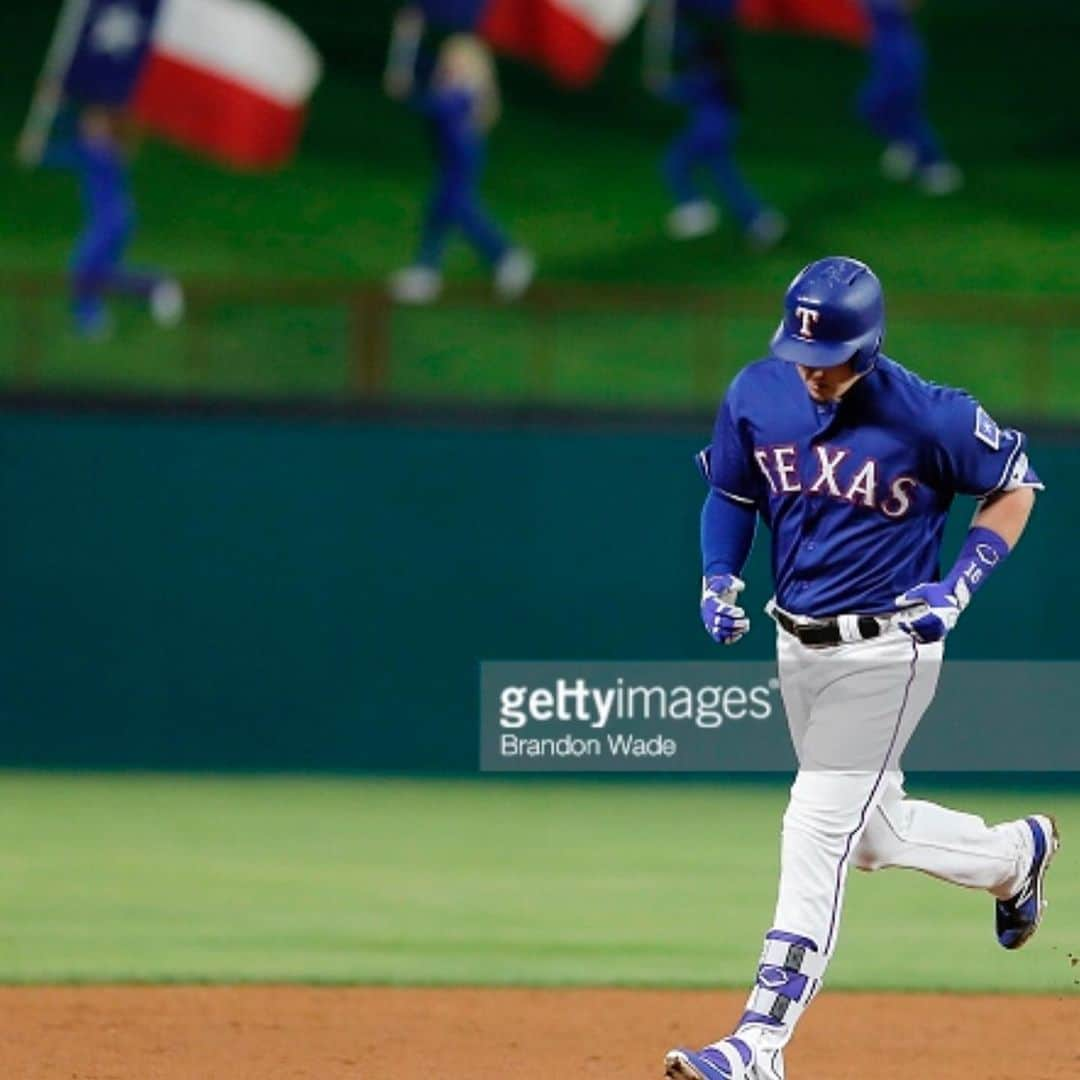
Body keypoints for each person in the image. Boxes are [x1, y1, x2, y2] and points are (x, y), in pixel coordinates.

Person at [664, 256, 1058, 1080]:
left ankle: (759, 1043)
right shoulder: (758, 392)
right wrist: (717, 575)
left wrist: (959, 588)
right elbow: (732, 497)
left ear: (868, 346)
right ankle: (1014, 858)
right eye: (800, 351)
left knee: (815, 824)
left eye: (829, 355)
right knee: (870, 835)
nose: (810, 370)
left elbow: (1013, 487)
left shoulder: (928, 414)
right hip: (794, 644)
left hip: (889, 649)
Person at [385, 11, 534, 304]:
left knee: (459, 211)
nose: (450, 64)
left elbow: (430, 105)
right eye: (449, 59)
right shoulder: (450, 86)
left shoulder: (465, 93)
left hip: (461, 159)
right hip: (450, 159)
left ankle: (507, 256)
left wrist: (408, 91)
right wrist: (407, 38)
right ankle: (428, 272)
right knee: (442, 213)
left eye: (458, 61)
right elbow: (416, 73)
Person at [41, 105, 183, 339]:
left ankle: (91, 320)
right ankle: (155, 285)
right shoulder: (100, 149)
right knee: (103, 273)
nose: (85, 126)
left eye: (92, 123)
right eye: (85, 122)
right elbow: (70, 149)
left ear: (106, 128)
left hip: (110, 222)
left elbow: (65, 156)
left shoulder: (99, 151)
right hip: (116, 219)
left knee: (83, 268)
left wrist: (40, 151)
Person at [648, 31, 786, 249]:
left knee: (675, 164)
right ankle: (759, 219)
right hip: (718, 130)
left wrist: (662, 86)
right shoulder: (718, 72)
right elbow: (685, 45)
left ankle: (695, 209)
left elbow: (686, 90)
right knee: (724, 178)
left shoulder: (710, 74)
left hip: (707, 131)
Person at [856, 0, 962, 195]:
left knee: (897, 110)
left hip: (901, 55)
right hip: (884, 54)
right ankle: (909, 149)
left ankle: (935, 165)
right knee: (876, 109)